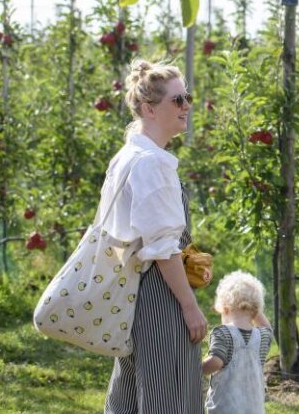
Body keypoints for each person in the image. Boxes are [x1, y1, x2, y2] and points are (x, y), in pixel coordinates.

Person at [104, 60, 208, 413]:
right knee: (170, 395)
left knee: (131, 396)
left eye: (187, 97)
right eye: (178, 100)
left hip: (132, 290)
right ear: (150, 109)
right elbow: (163, 249)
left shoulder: (128, 156)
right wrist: (190, 308)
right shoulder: (152, 163)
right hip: (159, 292)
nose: (187, 106)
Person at [203, 271, 273, 414]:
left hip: (226, 409)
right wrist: (254, 308)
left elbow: (216, 362)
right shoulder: (261, 337)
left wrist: (195, 368)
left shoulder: (223, 333)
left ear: (225, 308)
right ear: (255, 310)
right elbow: (267, 328)